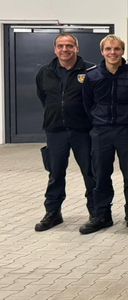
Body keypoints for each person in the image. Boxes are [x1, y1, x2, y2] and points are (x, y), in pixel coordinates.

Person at [79, 35, 128, 234]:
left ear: (123, 51)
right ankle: (101, 216)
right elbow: (87, 104)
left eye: (117, 49)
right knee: (100, 176)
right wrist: (98, 121)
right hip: (101, 132)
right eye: (108, 49)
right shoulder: (91, 76)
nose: (113, 53)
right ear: (102, 52)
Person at [34, 33, 95, 231]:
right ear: (55, 49)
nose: (65, 49)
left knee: (91, 173)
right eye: (60, 46)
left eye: (69, 46)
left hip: (83, 131)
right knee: (55, 173)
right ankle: (53, 212)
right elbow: (44, 97)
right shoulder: (45, 72)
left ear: (77, 48)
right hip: (55, 131)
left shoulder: (91, 70)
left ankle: (97, 212)